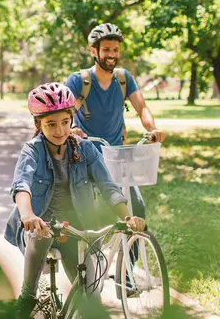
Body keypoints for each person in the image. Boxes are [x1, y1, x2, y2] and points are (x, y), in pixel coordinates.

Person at [3, 83, 146, 319]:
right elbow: (22, 185)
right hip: (39, 225)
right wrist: (27, 215)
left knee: (92, 302)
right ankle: (27, 296)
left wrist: (126, 217)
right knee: (43, 233)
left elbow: (107, 187)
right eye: (51, 124)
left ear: (71, 120)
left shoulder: (85, 149)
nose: (59, 130)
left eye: (65, 122)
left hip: (73, 228)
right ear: (38, 125)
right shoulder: (32, 151)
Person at [65, 22, 166, 220]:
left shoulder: (123, 79)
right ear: (94, 51)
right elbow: (67, 115)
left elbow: (142, 107)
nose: (112, 54)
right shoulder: (80, 81)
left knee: (136, 209)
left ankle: (133, 250)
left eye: (115, 50)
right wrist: (74, 128)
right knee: (88, 215)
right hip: (87, 157)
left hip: (117, 156)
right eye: (106, 50)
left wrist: (153, 129)